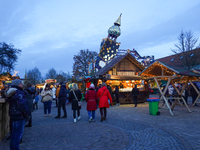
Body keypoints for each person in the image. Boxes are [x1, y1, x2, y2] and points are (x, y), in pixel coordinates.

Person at [6, 79, 29, 150]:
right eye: (21, 83)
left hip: (13, 114)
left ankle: (12, 148)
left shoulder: (11, 92)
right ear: (17, 84)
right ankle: (15, 148)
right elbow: (22, 105)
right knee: (18, 134)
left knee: (13, 132)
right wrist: (27, 114)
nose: (22, 84)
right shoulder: (18, 92)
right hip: (19, 115)